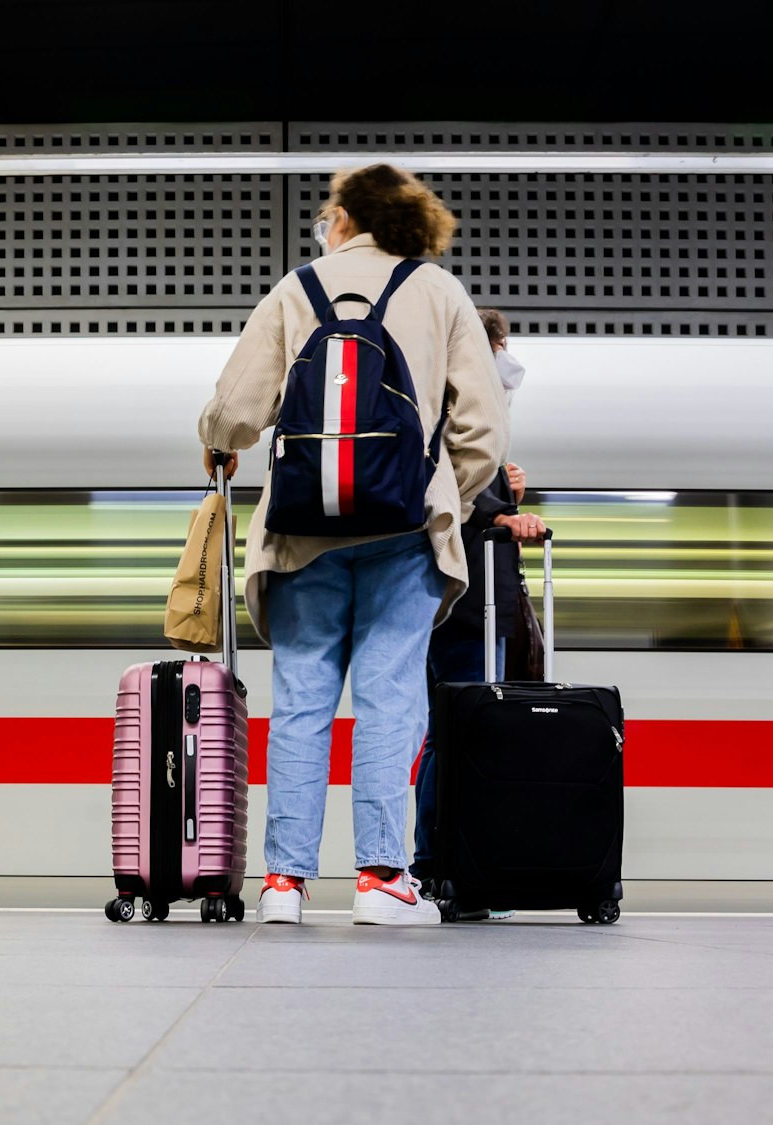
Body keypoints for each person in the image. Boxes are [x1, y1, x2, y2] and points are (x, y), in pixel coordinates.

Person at [197, 164, 507, 926]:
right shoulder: (439, 292)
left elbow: (233, 412)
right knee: (389, 698)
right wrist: (441, 499)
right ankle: (380, 881)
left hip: (302, 532)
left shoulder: (294, 288)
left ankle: (283, 887)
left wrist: (220, 444)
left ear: (344, 217)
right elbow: (484, 434)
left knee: (301, 700)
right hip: (406, 535)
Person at [410, 309, 546, 915]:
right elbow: (452, 504)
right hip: (469, 608)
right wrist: (501, 514)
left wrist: (507, 496)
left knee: (448, 736)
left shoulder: (438, 411)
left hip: (454, 602)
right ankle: (444, 869)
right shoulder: (457, 415)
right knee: (461, 737)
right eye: (500, 351)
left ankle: (442, 866)